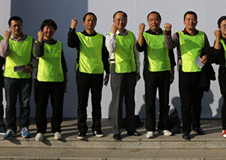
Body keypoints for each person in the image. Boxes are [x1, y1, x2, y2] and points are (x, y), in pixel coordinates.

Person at [164, 11, 212, 140]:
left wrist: (206, 56)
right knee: (186, 104)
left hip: (199, 73)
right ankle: (186, 129)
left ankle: (196, 126)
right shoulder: (179, 35)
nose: (191, 21)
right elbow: (169, 45)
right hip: (185, 73)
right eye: (188, 19)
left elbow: (207, 50)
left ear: (197, 21)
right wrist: (167, 32)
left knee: (197, 103)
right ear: (184, 22)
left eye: (193, 19)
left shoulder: (202, 35)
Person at [68, 12, 110, 140]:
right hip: (83, 73)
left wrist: (108, 72)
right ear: (84, 22)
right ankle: (82, 129)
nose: (90, 22)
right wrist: (72, 28)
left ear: (96, 22)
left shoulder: (101, 38)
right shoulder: (79, 36)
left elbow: (105, 56)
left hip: (97, 74)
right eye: (88, 20)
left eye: (93, 20)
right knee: (82, 103)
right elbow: (71, 43)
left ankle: (97, 128)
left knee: (96, 103)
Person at [136, 11, 176, 138]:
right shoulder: (145, 34)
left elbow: (171, 53)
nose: (154, 22)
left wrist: (172, 71)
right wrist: (140, 31)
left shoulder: (165, 34)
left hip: (165, 70)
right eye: (151, 20)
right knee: (150, 101)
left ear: (160, 20)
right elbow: (139, 48)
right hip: (150, 72)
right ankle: (150, 129)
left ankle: (164, 127)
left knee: (164, 101)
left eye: (156, 19)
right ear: (148, 22)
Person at [106, 11, 141, 141]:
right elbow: (111, 49)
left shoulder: (131, 35)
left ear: (127, 20)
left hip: (130, 71)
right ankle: (117, 130)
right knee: (117, 102)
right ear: (114, 21)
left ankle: (131, 128)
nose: (121, 22)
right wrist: (113, 34)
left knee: (130, 101)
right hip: (117, 70)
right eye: (118, 19)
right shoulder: (109, 35)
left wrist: (137, 70)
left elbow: (136, 53)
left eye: (123, 19)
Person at [33, 19, 68, 142]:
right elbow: (38, 53)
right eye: (47, 28)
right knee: (40, 107)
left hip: (57, 79)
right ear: (42, 29)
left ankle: (56, 129)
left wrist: (65, 74)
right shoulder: (37, 43)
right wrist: (40, 39)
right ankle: (40, 130)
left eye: (52, 28)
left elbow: (62, 61)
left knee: (57, 107)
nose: (49, 30)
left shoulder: (59, 44)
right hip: (41, 79)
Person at [0, 16, 34, 139]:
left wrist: (30, 66)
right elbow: (3, 54)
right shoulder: (6, 40)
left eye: (19, 25)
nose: (17, 28)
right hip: (10, 77)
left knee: (25, 104)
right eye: (14, 25)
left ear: (22, 26)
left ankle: (24, 127)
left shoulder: (30, 39)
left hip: (25, 77)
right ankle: (10, 128)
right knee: (10, 105)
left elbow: (35, 57)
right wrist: (6, 39)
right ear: (10, 27)